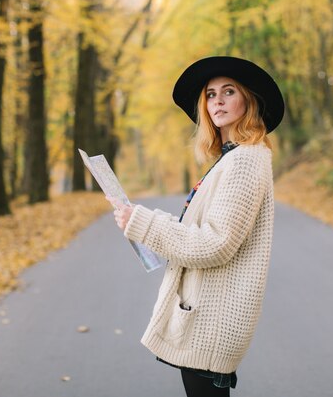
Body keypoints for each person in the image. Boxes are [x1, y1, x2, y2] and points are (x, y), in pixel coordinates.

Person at [108, 56, 284, 397]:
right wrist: (137, 221)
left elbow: (214, 244)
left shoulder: (246, 159)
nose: (217, 100)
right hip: (205, 314)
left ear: (248, 100)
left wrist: (145, 223)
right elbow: (204, 230)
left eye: (228, 92)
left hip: (213, 320)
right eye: (211, 94)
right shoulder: (232, 157)